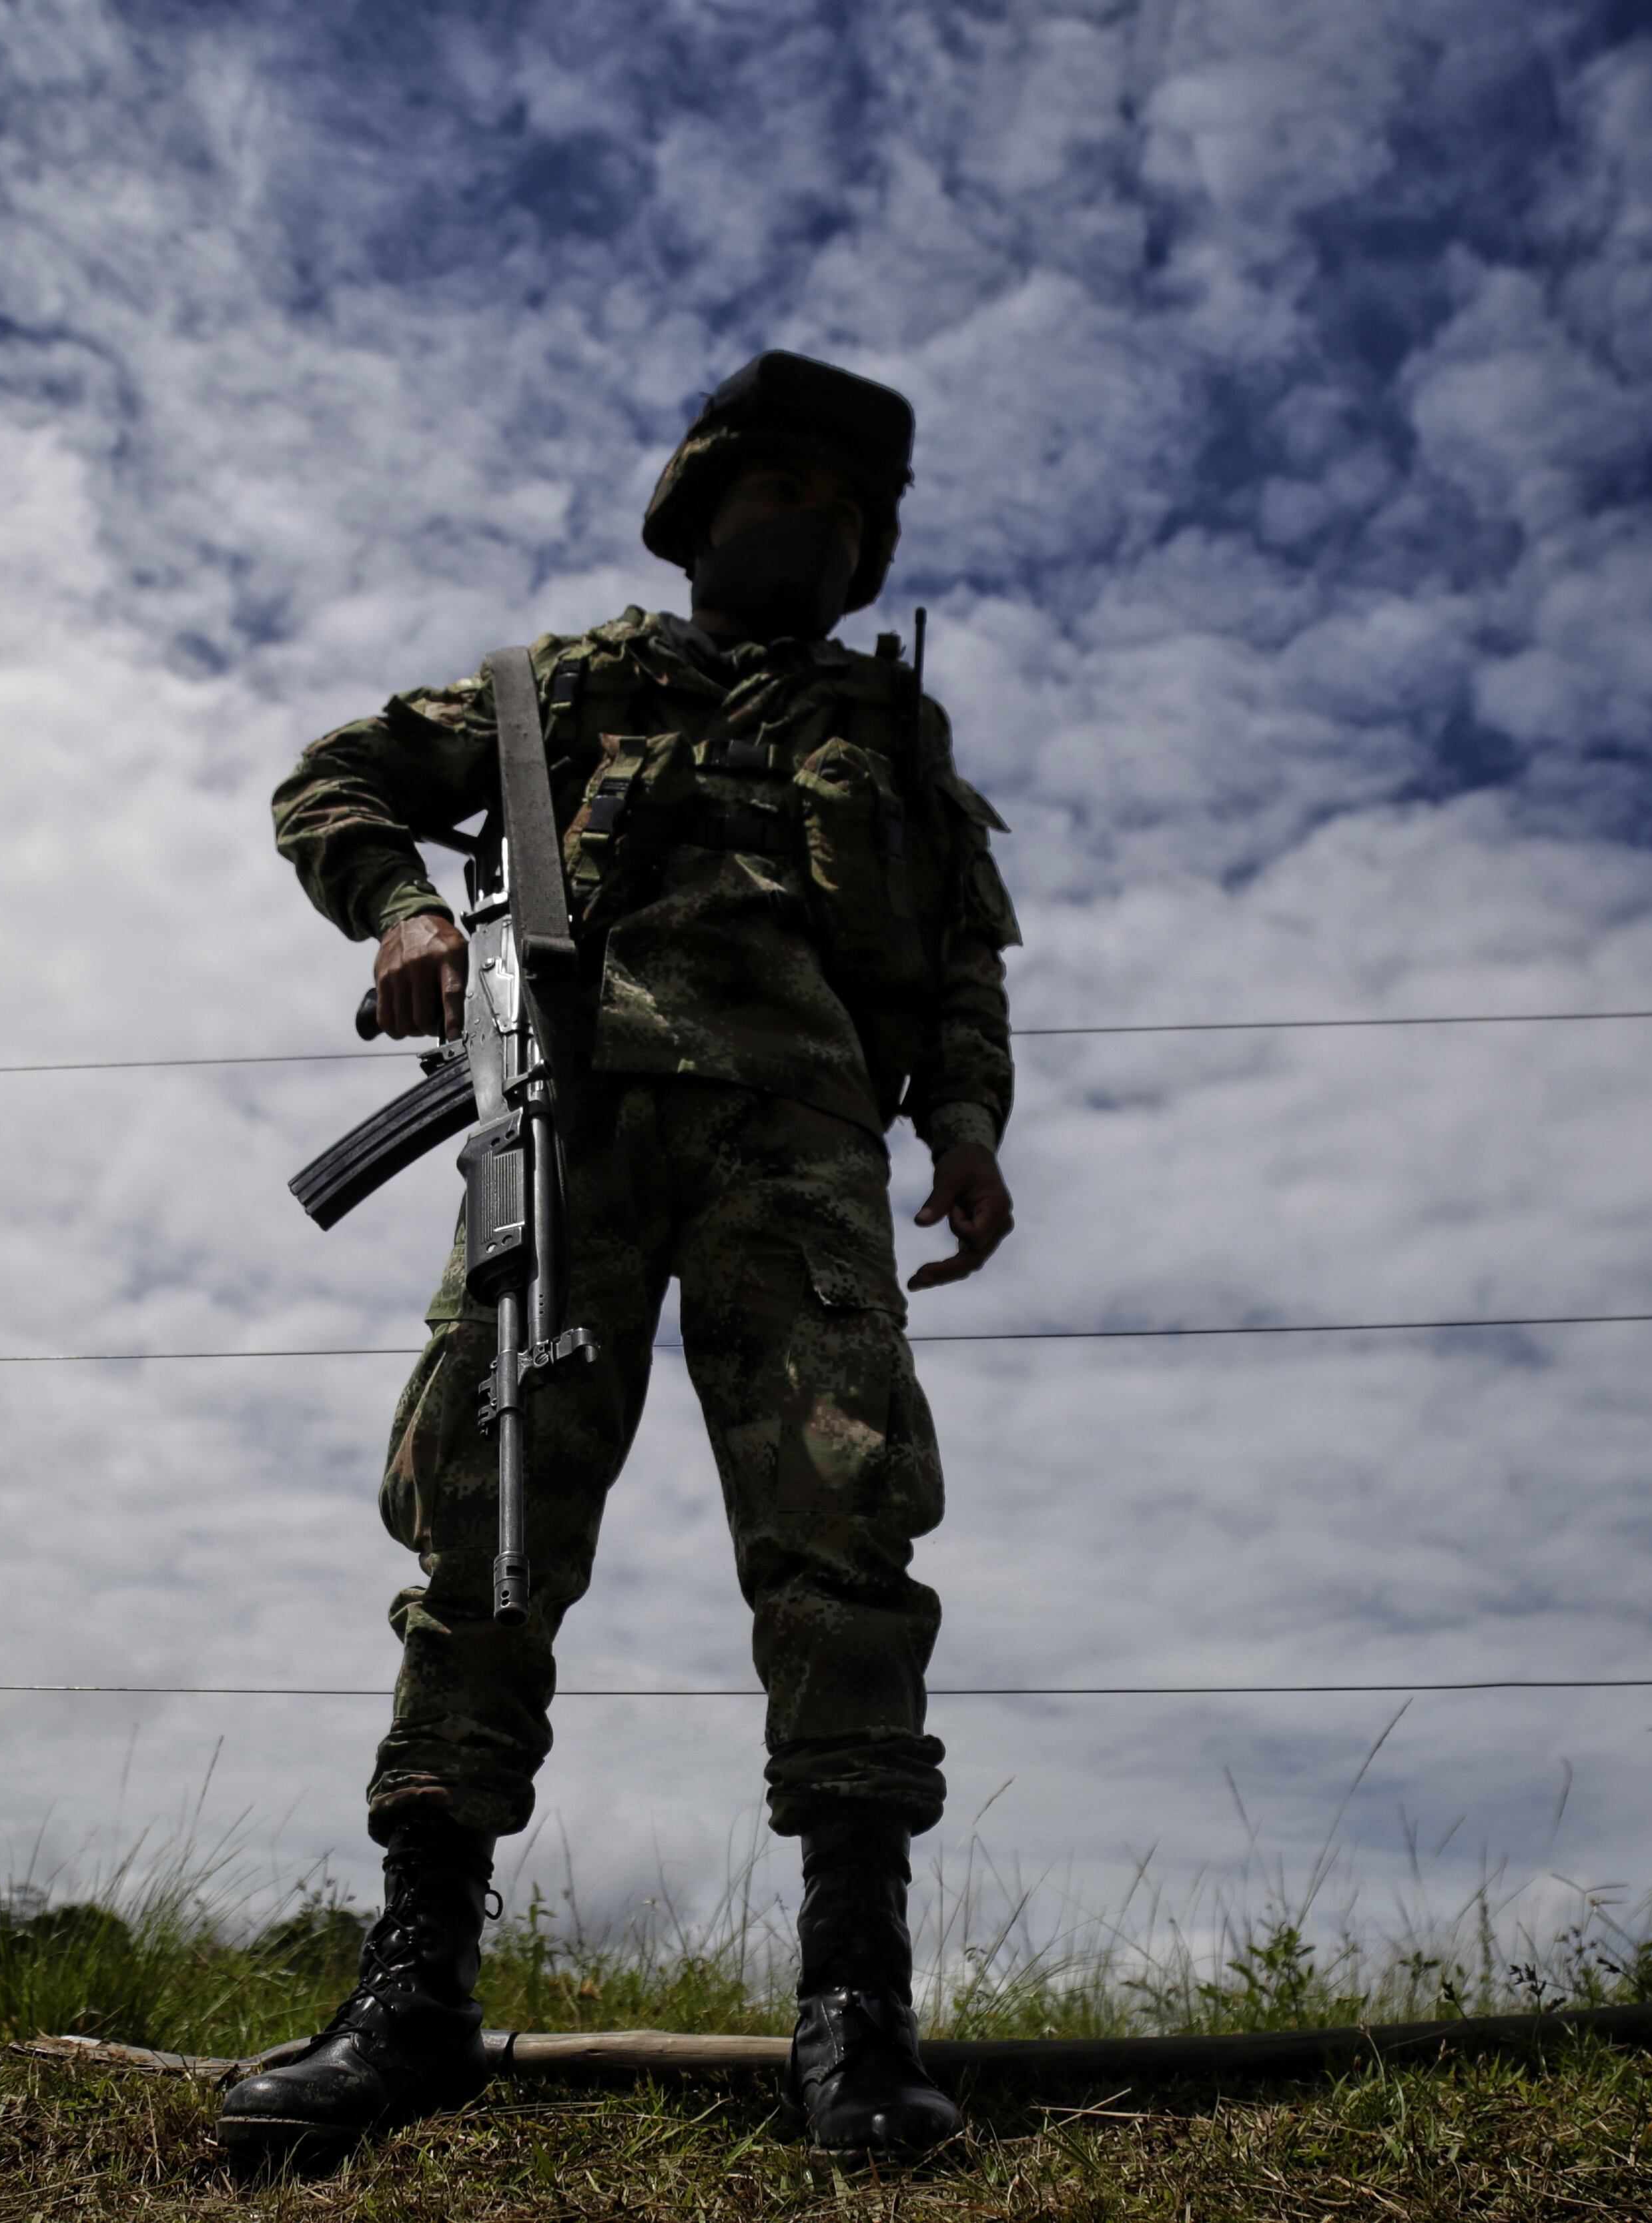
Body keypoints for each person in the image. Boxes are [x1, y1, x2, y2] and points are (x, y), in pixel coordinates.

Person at [234, 351, 1019, 2164]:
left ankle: (855, 2018)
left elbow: (964, 961)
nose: (817, 528)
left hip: (803, 1155)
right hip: (569, 1128)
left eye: (851, 512)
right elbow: (337, 780)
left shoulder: (894, 739)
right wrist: (412, 908)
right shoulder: (564, 689)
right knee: (483, 1525)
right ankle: (416, 1990)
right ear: (703, 512)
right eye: (783, 494)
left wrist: (966, 1123)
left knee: (846, 1529)